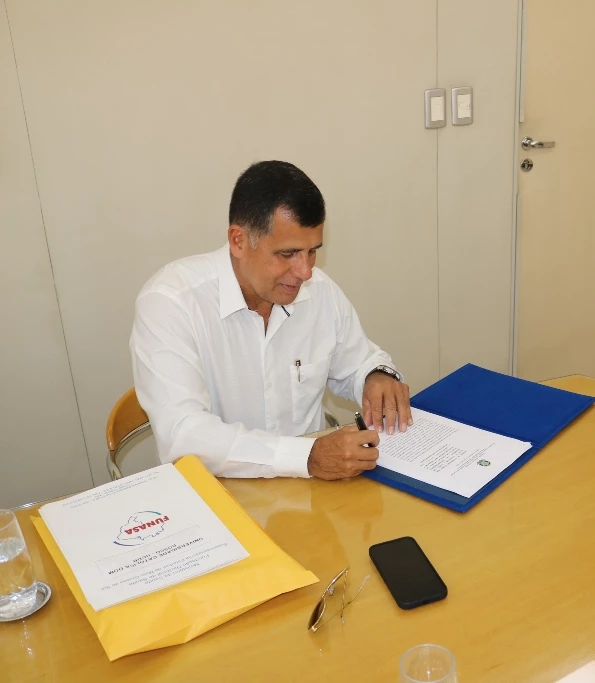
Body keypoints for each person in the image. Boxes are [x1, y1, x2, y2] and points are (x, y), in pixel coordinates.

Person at [131, 160, 411, 480]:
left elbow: (359, 362)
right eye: (288, 254)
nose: (305, 272)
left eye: (312, 251)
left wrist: (375, 376)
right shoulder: (170, 303)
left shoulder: (319, 291)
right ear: (238, 240)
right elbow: (183, 433)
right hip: (217, 492)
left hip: (314, 489)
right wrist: (305, 457)